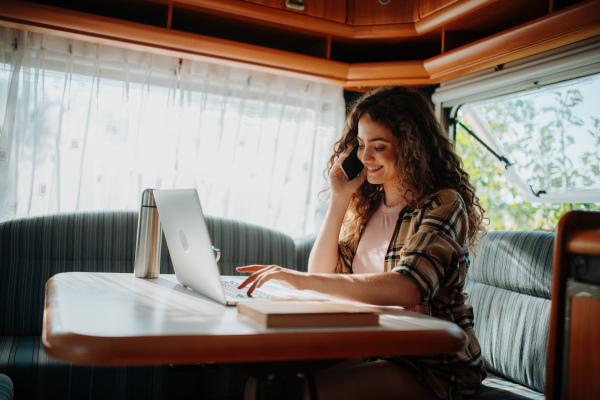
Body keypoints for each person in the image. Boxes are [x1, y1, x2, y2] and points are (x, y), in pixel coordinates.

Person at [237, 86, 487, 400]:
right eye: (361, 144)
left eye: (378, 146)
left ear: (412, 147)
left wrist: (298, 280)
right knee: (258, 388)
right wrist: (340, 199)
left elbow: (409, 286)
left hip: (431, 366)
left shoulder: (443, 204)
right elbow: (325, 273)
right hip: (375, 348)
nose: (364, 156)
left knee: (291, 393)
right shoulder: (368, 205)